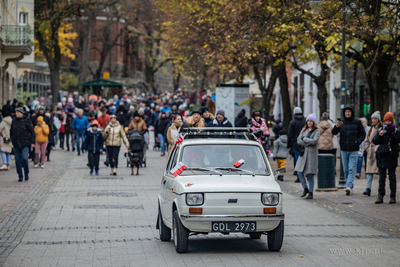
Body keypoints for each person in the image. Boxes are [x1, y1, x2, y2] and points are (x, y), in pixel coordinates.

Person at [332, 105, 366, 195]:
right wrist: (336, 126)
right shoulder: (341, 123)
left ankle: (348, 186)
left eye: (349, 112)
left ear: (351, 113)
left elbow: (363, 134)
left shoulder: (357, 122)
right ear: (344, 113)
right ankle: (350, 187)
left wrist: (357, 142)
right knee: (346, 170)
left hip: (354, 150)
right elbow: (333, 132)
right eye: (346, 112)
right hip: (343, 149)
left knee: (351, 169)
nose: (347, 113)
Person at [373, 112, 400, 204]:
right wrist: (380, 135)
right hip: (382, 156)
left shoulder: (395, 130)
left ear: (392, 121)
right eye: (386, 120)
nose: (388, 122)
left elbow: (397, 140)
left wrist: (390, 134)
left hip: (392, 155)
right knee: (381, 178)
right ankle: (380, 196)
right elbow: (375, 141)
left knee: (392, 177)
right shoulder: (381, 129)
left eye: (389, 121)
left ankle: (393, 196)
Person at [294, 113, 321, 199]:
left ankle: (311, 192)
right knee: (299, 172)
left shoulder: (317, 131)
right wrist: (306, 142)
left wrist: (305, 140)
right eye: (308, 121)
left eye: (311, 121)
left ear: (314, 122)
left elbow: (315, 141)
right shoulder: (304, 130)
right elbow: (298, 140)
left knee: (310, 174)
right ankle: (305, 188)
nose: (309, 122)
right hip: (303, 154)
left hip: (311, 155)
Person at [11, 108, 35, 181]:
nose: (16, 113)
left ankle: (26, 173)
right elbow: (11, 130)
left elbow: (32, 132)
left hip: (25, 143)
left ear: (22, 113)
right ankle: (20, 175)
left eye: (18, 112)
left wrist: (32, 142)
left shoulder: (27, 120)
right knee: (17, 161)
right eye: (16, 112)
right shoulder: (14, 120)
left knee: (25, 158)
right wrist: (11, 138)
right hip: (16, 144)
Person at [363, 111, 382, 196]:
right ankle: (368, 188)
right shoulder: (370, 129)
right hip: (370, 153)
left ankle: (381, 189)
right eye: (372, 119)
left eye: (375, 118)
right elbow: (367, 140)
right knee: (369, 172)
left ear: (378, 119)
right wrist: (368, 149)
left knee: (380, 172)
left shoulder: (381, 128)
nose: (373, 120)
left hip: (378, 152)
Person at [287, 107, 306, 182]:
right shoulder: (305, 121)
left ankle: (299, 177)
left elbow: (290, 134)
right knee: (304, 160)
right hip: (305, 143)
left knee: (297, 160)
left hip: (296, 144)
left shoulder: (293, 122)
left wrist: (289, 145)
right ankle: (305, 175)